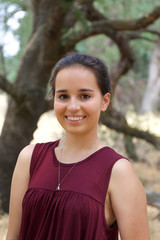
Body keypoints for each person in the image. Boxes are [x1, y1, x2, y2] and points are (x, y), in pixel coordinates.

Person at [6, 53, 150, 240]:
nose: (73, 107)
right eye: (63, 96)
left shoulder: (118, 171)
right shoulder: (29, 158)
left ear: (104, 101)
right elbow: (13, 236)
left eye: (84, 96)